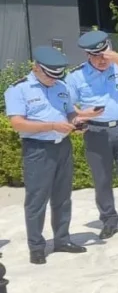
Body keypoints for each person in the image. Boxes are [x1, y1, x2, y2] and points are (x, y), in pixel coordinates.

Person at [5, 47, 89, 264]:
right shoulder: (19, 89)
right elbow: (17, 123)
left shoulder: (61, 86)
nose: (53, 80)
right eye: (49, 75)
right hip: (37, 149)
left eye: (57, 75)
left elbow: (70, 112)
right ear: (36, 68)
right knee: (37, 200)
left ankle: (62, 240)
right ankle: (36, 247)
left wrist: (76, 122)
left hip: (63, 146)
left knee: (63, 197)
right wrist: (51, 125)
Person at [66, 30, 118, 239]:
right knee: (101, 178)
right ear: (88, 55)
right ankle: (109, 220)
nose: (102, 61)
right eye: (97, 57)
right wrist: (82, 116)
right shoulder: (76, 76)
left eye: (105, 55)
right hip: (95, 130)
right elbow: (67, 106)